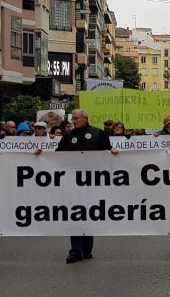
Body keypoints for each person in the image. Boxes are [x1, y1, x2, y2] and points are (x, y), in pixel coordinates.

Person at [56, 109, 118, 264]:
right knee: (75, 214)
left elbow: (107, 150)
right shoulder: (69, 136)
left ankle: (87, 249)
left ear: (85, 118)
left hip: (93, 182)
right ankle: (75, 250)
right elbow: (57, 155)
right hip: (74, 182)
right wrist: (41, 154)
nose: (74, 121)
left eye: (76, 118)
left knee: (88, 214)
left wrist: (113, 152)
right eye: (73, 119)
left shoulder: (98, 133)